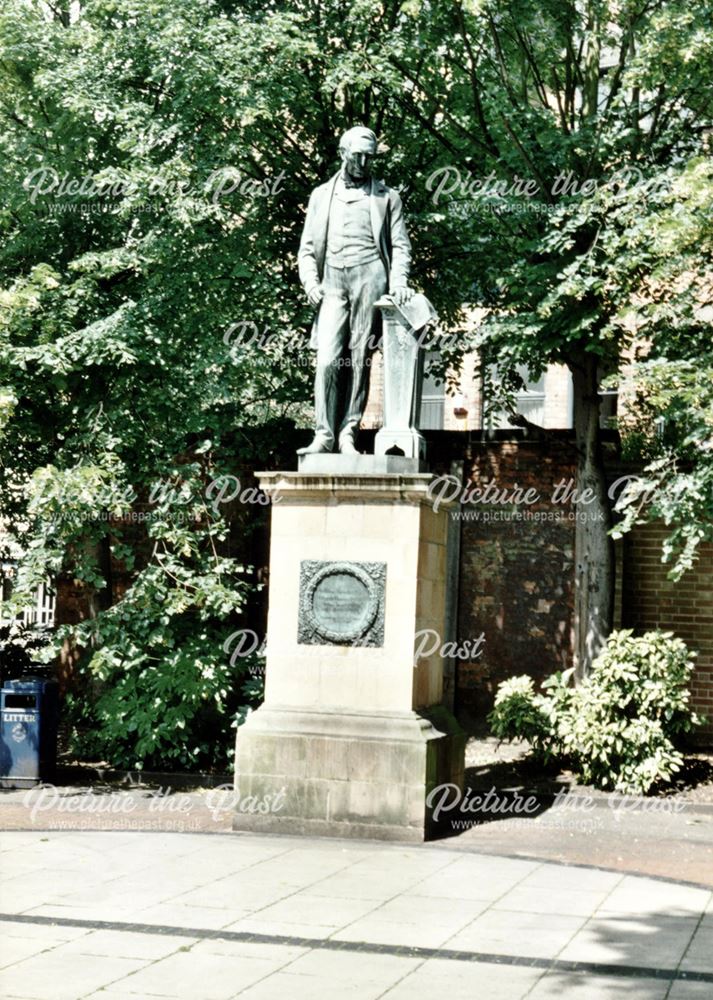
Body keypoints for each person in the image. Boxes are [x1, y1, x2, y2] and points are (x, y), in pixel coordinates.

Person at [297, 126, 413, 455]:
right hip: (333, 282)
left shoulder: (386, 197)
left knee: (359, 357)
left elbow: (401, 246)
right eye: (357, 155)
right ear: (343, 152)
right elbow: (306, 249)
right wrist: (310, 282)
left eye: (369, 156)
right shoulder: (321, 195)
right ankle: (324, 434)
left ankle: (348, 431)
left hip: (370, 277)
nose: (363, 162)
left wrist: (399, 282)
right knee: (328, 360)